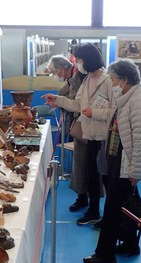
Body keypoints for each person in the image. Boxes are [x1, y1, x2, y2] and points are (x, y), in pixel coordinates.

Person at [83, 59, 141, 263]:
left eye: (113, 79)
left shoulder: (138, 101)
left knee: (113, 210)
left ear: (124, 79)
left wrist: (135, 172)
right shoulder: (129, 97)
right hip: (120, 163)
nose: (112, 83)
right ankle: (130, 243)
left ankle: (105, 253)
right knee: (126, 206)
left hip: (126, 166)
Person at [43, 43, 114, 225]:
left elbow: (114, 111)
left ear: (88, 60)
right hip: (88, 135)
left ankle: (101, 213)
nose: (77, 63)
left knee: (102, 177)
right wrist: (57, 99)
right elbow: (77, 105)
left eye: (79, 60)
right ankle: (93, 210)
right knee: (90, 173)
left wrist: (94, 113)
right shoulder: (87, 80)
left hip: (103, 138)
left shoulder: (108, 81)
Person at [46, 54, 94, 212]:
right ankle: (83, 198)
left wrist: (60, 101)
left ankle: (88, 203)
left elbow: (76, 104)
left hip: (85, 127)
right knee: (81, 165)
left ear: (62, 69)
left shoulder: (79, 79)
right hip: (79, 125)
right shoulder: (73, 79)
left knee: (86, 165)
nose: (54, 76)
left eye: (54, 72)